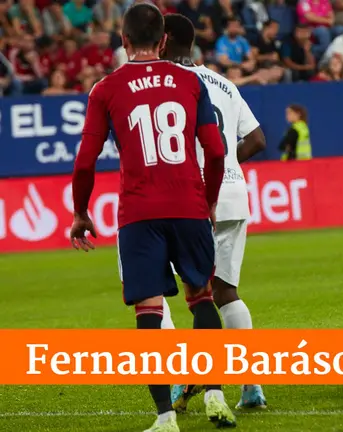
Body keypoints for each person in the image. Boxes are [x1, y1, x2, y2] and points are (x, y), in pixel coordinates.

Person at [69, 4, 235, 432]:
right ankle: (215, 393)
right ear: (164, 40)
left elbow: (85, 161)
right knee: (201, 295)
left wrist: (81, 212)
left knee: (149, 311)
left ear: (123, 41)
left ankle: (165, 417)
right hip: (188, 205)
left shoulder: (105, 89)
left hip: (139, 213)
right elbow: (215, 151)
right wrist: (210, 200)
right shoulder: (190, 81)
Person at [156, 13, 269, 414]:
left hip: (189, 197)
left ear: (164, 41)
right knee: (225, 293)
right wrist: (224, 164)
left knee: (162, 291)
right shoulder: (224, 82)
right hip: (233, 192)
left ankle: (183, 378)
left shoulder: (164, 83)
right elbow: (257, 138)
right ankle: (251, 386)